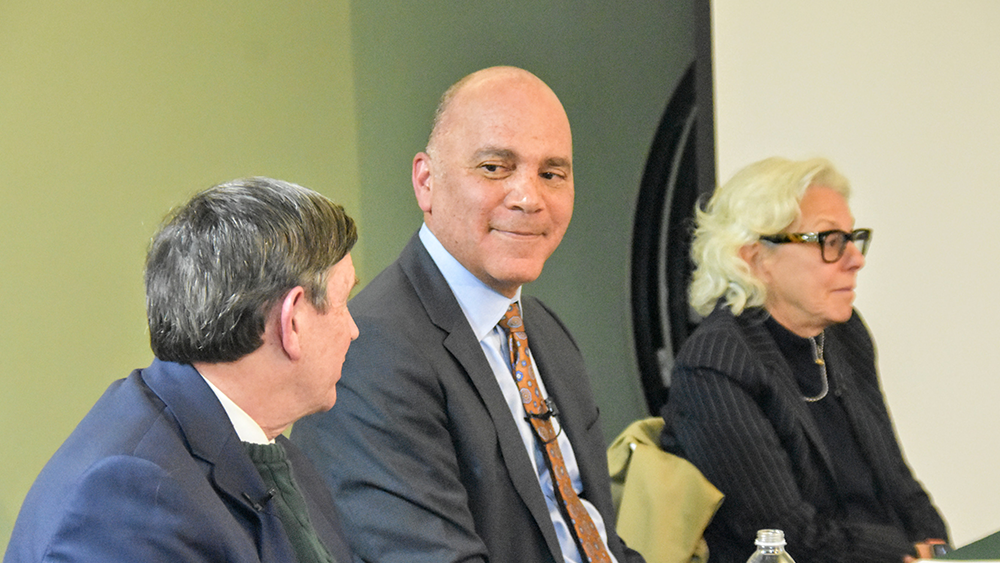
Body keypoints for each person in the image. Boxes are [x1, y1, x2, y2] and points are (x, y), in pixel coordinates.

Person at [292, 66, 643, 563]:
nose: (528, 198)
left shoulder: (547, 333)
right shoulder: (366, 352)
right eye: (495, 168)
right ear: (426, 181)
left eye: (551, 174)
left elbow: (593, 540)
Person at [5, 177, 359, 562]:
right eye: (344, 302)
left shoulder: (276, 456)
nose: (353, 330)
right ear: (292, 321)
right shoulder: (132, 494)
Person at [659, 157, 948, 563]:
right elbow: (784, 534)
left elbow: (895, 477)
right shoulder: (716, 362)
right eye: (830, 240)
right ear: (755, 257)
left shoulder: (844, 334)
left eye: (853, 238)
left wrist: (937, 546)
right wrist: (905, 551)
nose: (855, 258)